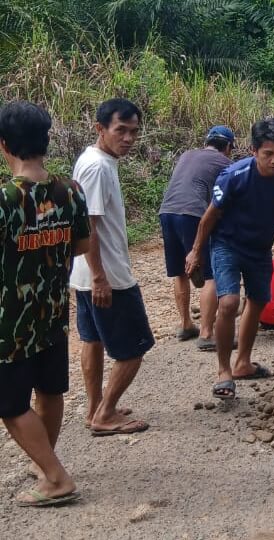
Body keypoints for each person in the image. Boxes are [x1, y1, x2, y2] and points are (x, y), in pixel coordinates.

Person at [185, 118, 274, 399]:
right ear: (254, 151)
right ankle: (224, 371)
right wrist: (196, 251)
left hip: (260, 249)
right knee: (229, 302)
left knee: (257, 301)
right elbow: (209, 217)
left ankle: (243, 362)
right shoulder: (234, 175)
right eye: (268, 154)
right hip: (227, 245)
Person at [0, 101, 88, 506]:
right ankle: (45, 462)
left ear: (4, 145)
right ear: (45, 142)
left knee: (10, 403)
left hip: (9, 323)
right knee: (49, 391)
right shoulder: (69, 191)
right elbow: (84, 245)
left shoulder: (5, 200)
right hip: (53, 311)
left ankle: (55, 477)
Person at [70, 98, 154, 437]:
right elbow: (88, 225)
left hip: (88, 275)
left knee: (92, 341)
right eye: (121, 130)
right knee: (134, 350)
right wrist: (101, 277)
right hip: (108, 277)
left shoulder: (95, 160)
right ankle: (104, 415)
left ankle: (95, 409)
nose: (129, 138)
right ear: (100, 128)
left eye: (134, 132)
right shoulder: (98, 167)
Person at [158, 126, 234, 351]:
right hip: (193, 214)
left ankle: (185, 324)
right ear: (228, 146)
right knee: (212, 274)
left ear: (207, 142)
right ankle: (207, 333)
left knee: (180, 271)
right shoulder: (225, 163)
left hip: (167, 211)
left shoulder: (187, 155)